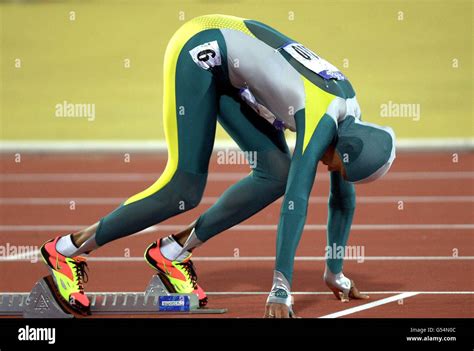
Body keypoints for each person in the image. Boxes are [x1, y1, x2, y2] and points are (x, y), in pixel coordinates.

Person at [39, 14, 395, 317]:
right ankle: (65, 251)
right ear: (343, 149)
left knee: (277, 173)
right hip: (199, 51)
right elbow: (296, 202)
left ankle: (171, 253)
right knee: (182, 189)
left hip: (232, 69)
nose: (333, 171)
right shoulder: (321, 121)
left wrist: (335, 273)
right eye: (338, 168)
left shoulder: (353, 122)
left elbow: (343, 200)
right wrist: (281, 287)